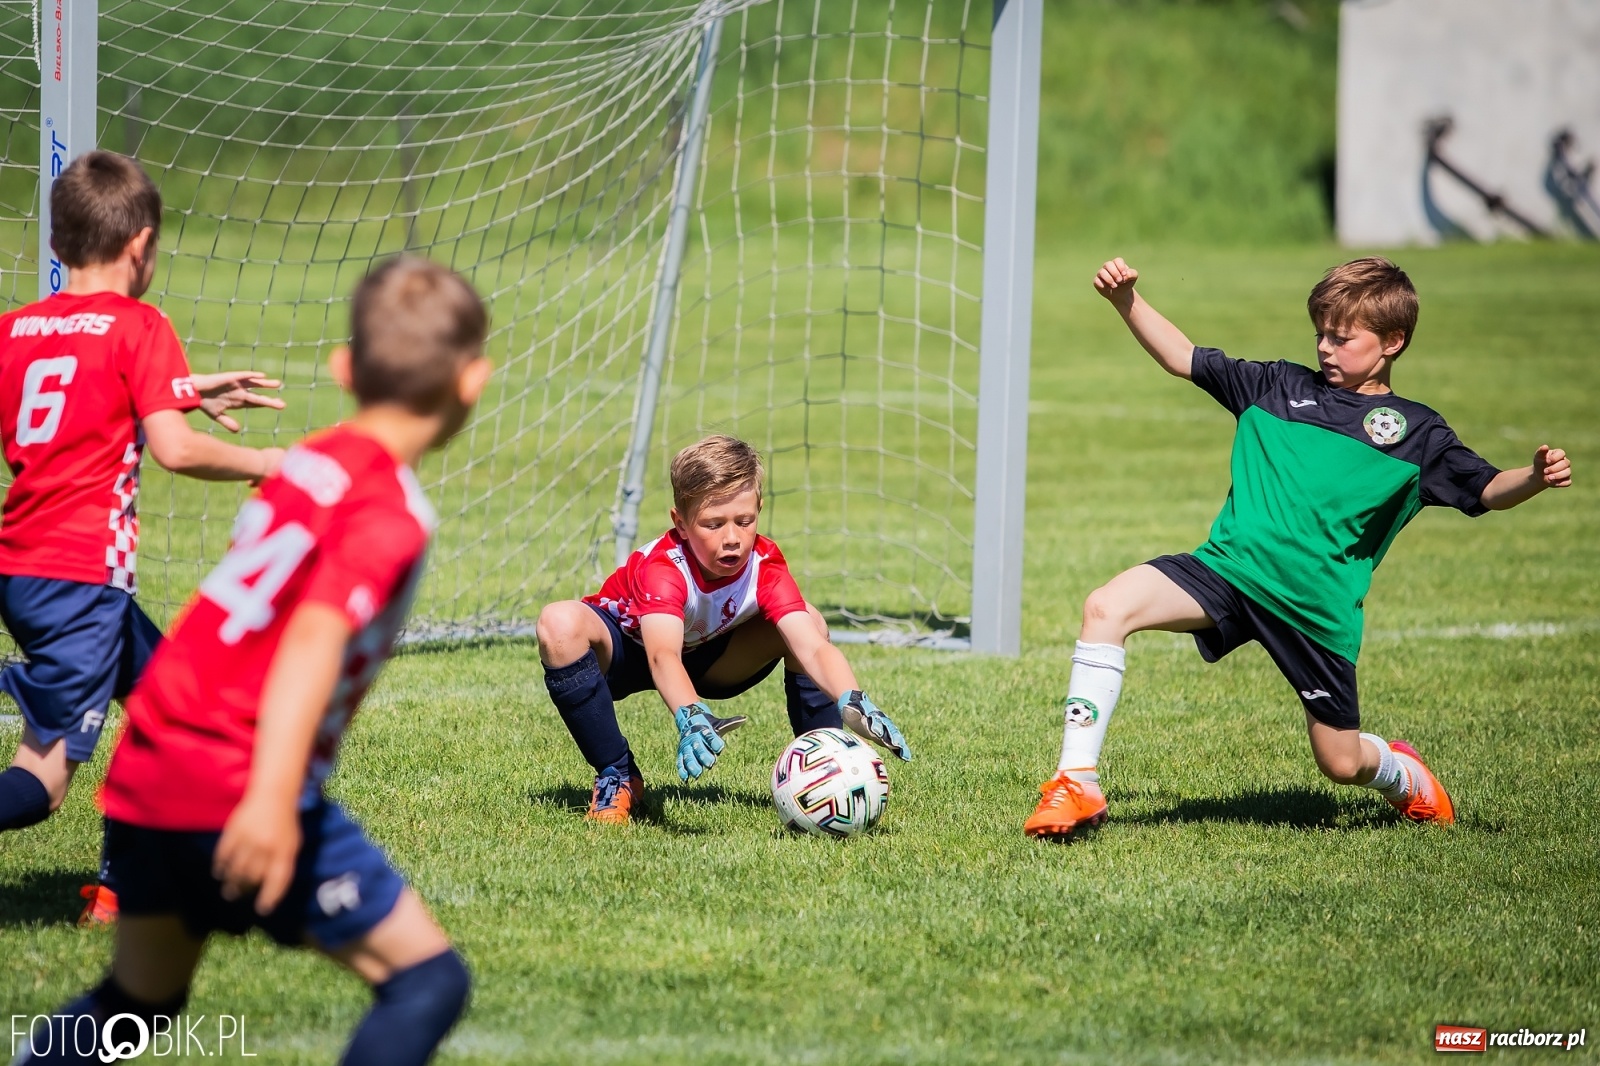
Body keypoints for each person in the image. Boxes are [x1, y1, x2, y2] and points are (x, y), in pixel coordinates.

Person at [18, 255, 491, 1066]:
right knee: (427, 982)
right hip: (235, 775)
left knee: (140, 1000)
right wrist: (273, 800)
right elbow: (310, 641)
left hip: (149, 761)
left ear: (344, 370)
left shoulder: (308, 459)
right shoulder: (390, 511)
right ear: (472, 381)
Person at [1024, 256, 1572, 839]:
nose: (1326, 348)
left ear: (1393, 341)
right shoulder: (1275, 386)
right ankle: (1075, 782)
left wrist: (1533, 477)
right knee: (1106, 606)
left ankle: (1401, 772)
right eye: (1320, 334)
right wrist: (1126, 301)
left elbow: (1486, 490)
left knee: (1341, 763)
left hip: (1313, 612)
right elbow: (1181, 357)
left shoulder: (1416, 433)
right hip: (1229, 573)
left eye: (1343, 337)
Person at [0, 150, 285, 923]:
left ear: (57, 246)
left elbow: (78, 399)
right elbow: (176, 449)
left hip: (26, 574)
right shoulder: (140, 325)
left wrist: (182, 388)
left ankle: (122, 887)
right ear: (142, 247)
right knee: (44, 780)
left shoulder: (16, 331)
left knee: (172, 706)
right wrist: (268, 461)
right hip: (84, 581)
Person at [536, 433, 912, 824]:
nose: (732, 538)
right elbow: (662, 654)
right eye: (713, 524)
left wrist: (853, 698)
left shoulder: (764, 563)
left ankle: (827, 762)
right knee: (558, 623)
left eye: (744, 521)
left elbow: (812, 647)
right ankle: (618, 775)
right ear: (680, 523)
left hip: (710, 659)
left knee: (811, 620)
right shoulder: (665, 568)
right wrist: (691, 716)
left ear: (759, 510)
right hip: (627, 654)